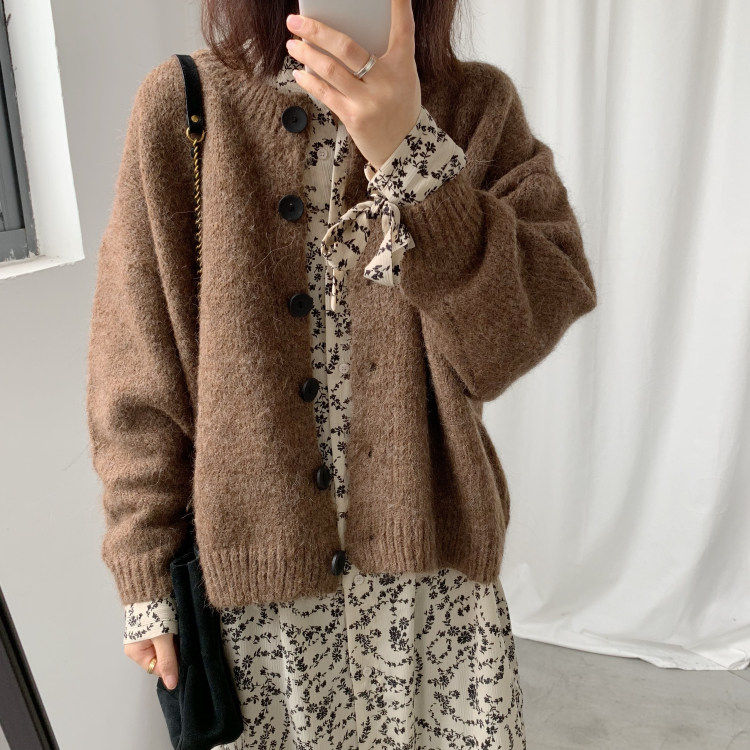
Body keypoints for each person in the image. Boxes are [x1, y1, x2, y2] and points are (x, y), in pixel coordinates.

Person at [86, 0, 597, 747]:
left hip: (431, 589)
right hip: (258, 602)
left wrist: (411, 156)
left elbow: (512, 339)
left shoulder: (475, 105)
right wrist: (143, 569)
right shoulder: (186, 105)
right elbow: (136, 363)